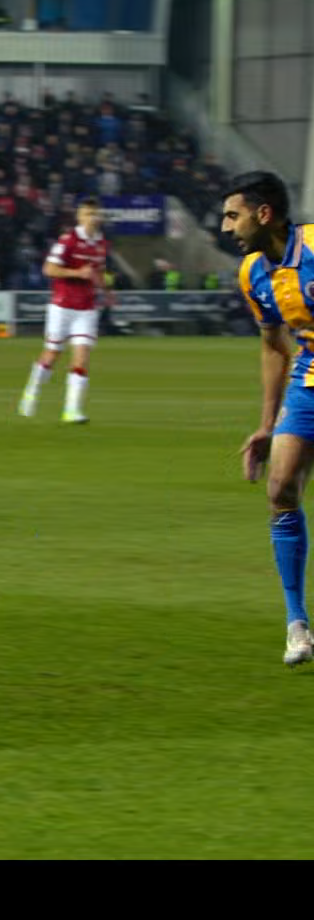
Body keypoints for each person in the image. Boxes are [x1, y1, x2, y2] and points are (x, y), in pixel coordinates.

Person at [225, 171, 314, 666]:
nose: (226, 227)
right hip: (309, 377)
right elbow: (273, 346)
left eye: (232, 215)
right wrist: (266, 423)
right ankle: (297, 625)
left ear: (264, 215)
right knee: (280, 489)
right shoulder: (252, 272)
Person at [18, 199, 110, 424]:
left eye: (95, 214)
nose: (92, 218)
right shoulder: (68, 240)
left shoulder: (101, 244)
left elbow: (98, 271)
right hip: (62, 306)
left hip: (86, 308)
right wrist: (77, 273)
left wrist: (106, 290)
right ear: (79, 217)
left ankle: (72, 410)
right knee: (52, 354)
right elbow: (49, 269)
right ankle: (32, 390)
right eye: (88, 214)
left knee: (82, 357)